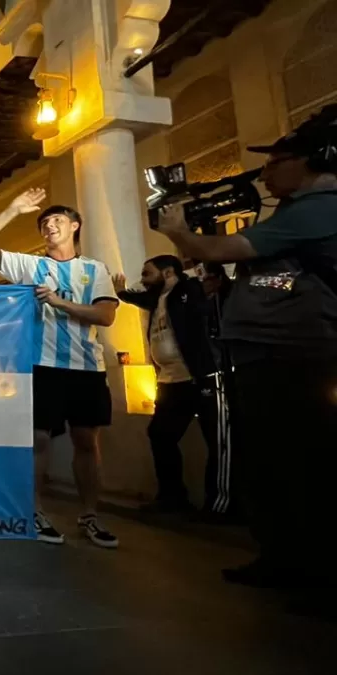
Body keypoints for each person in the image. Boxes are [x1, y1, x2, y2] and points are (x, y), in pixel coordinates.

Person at [153, 110, 337, 591]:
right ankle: (281, 557)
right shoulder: (295, 214)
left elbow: (218, 251)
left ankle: (315, 572)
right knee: (269, 463)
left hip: (298, 353)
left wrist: (177, 230)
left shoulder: (320, 207)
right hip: (264, 353)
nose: (267, 172)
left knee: (302, 465)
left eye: (277, 162)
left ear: (316, 160)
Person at [0, 188, 120, 549]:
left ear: (74, 226)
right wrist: (12, 208)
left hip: (86, 367)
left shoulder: (94, 269)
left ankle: (89, 516)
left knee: (86, 440)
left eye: (56, 220)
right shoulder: (30, 265)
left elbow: (105, 314)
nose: (48, 225)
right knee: (38, 440)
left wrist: (57, 302)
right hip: (41, 365)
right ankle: (34, 511)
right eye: (43, 222)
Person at [113, 255, 219, 513]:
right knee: (160, 434)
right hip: (170, 381)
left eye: (147, 274)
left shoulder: (189, 289)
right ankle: (172, 498)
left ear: (168, 272)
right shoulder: (158, 298)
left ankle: (218, 505)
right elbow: (140, 298)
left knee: (217, 440)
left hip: (200, 377)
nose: (143, 280)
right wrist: (121, 293)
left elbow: (205, 304)